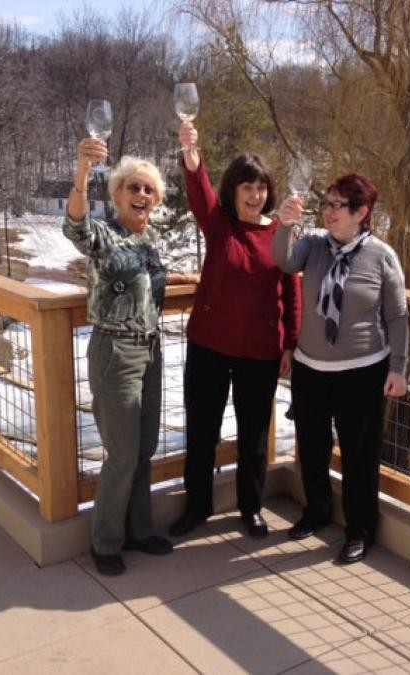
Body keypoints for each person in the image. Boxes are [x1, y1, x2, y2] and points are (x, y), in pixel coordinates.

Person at [63, 138, 196, 576]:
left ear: (156, 200)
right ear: (118, 194)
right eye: (133, 188)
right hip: (114, 351)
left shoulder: (148, 240)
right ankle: (105, 541)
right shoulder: (104, 233)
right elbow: (75, 227)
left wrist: (188, 276)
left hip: (150, 349)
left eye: (149, 190)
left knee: (145, 448)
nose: (141, 196)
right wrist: (83, 173)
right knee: (121, 452)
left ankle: (139, 530)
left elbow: (146, 276)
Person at [169, 122, 301, 539]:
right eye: (246, 186)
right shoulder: (219, 223)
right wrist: (192, 156)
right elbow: (198, 188)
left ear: (269, 192)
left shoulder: (280, 234)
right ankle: (197, 507)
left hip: (260, 352)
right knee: (203, 430)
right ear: (233, 190)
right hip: (209, 346)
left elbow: (291, 291)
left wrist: (291, 345)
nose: (254, 194)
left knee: (254, 436)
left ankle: (251, 507)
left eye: (261, 187)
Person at [274, 173, 408, 565]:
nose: (328, 212)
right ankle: (316, 511)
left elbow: (397, 316)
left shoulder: (381, 256)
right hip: (310, 368)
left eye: (338, 205)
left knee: (359, 454)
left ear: (361, 212)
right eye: (327, 203)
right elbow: (282, 260)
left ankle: (359, 529)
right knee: (312, 446)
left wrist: (397, 369)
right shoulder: (313, 245)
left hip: (362, 371)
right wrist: (284, 225)